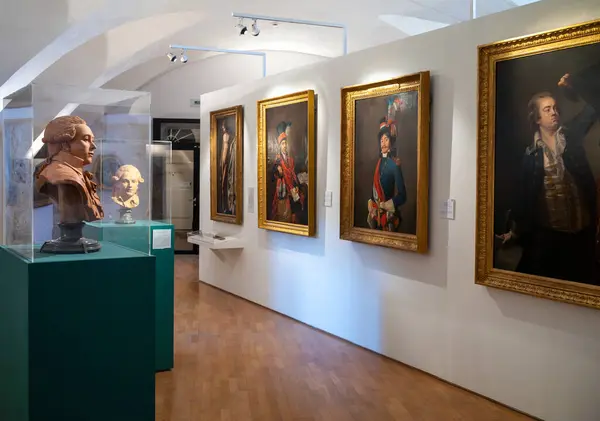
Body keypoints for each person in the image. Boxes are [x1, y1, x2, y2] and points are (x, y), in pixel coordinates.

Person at [499, 72, 599, 285]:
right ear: (537, 118)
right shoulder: (530, 156)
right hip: (549, 240)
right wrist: (515, 232)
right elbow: (523, 200)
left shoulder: (572, 134)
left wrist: (577, 85)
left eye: (555, 108)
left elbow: (594, 107)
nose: (554, 113)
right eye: (547, 109)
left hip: (582, 236)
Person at [34, 115, 104, 224]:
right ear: (65, 144)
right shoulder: (61, 175)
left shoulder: (77, 173)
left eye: (92, 140)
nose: (93, 146)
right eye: (86, 139)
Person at [367, 117, 407, 231]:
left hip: (388, 217)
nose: (383, 143)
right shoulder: (378, 163)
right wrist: (370, 202)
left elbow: (403, 196)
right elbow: (374, 191)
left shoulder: (394, 165)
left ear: (391, 142)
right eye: (381, 140)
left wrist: (385, 205)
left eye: (386, 139)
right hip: (375, 215)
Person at [271, 121, 304, 223]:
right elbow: (276, 175)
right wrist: (279, 172)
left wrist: (296, 186)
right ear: (280, 146)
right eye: (283, 143)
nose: (285, 145)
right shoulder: (277, 160)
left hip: (292, 189)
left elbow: (293, 175)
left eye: (286, 143)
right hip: (283, 190)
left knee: (296, 210)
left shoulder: (291, 160)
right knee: (283, 214)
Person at [219, 120, 236, 214]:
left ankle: (230, 208)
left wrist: (226, 144)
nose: (222, 129)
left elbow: (225, 159)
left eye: (224, 127)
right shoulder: (225, 139)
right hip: (225, 171)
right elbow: (222, 162)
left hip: (230, 173)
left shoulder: (233, 141)